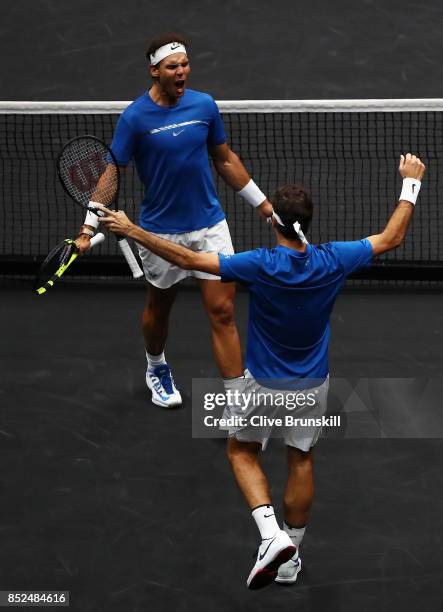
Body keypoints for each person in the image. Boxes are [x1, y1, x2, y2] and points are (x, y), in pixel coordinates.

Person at [97, 153, 426, 589]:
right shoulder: (335, 259)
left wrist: (132, 230)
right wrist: (410, 185)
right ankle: (290, 557)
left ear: (275, 222)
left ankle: (270, 536)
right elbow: (391, 238)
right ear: (308, 221)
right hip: (313, 384)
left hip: (262, 386)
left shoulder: (259, 265)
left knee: (241, 453)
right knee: (302, 460)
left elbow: (192, 262)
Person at [75, 32, 272, 408]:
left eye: (184, 64)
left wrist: (260, 202)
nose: (182, 72)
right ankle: (156, 366)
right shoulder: (134, 118)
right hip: (159, 233)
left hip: (210, 225)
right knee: (159, 308)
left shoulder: (204, 106)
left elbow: (225, 158)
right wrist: (89, 225)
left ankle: (236, 397)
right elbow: (112, 172)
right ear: (154, 71)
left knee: (223, 310)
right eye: (172, 67)